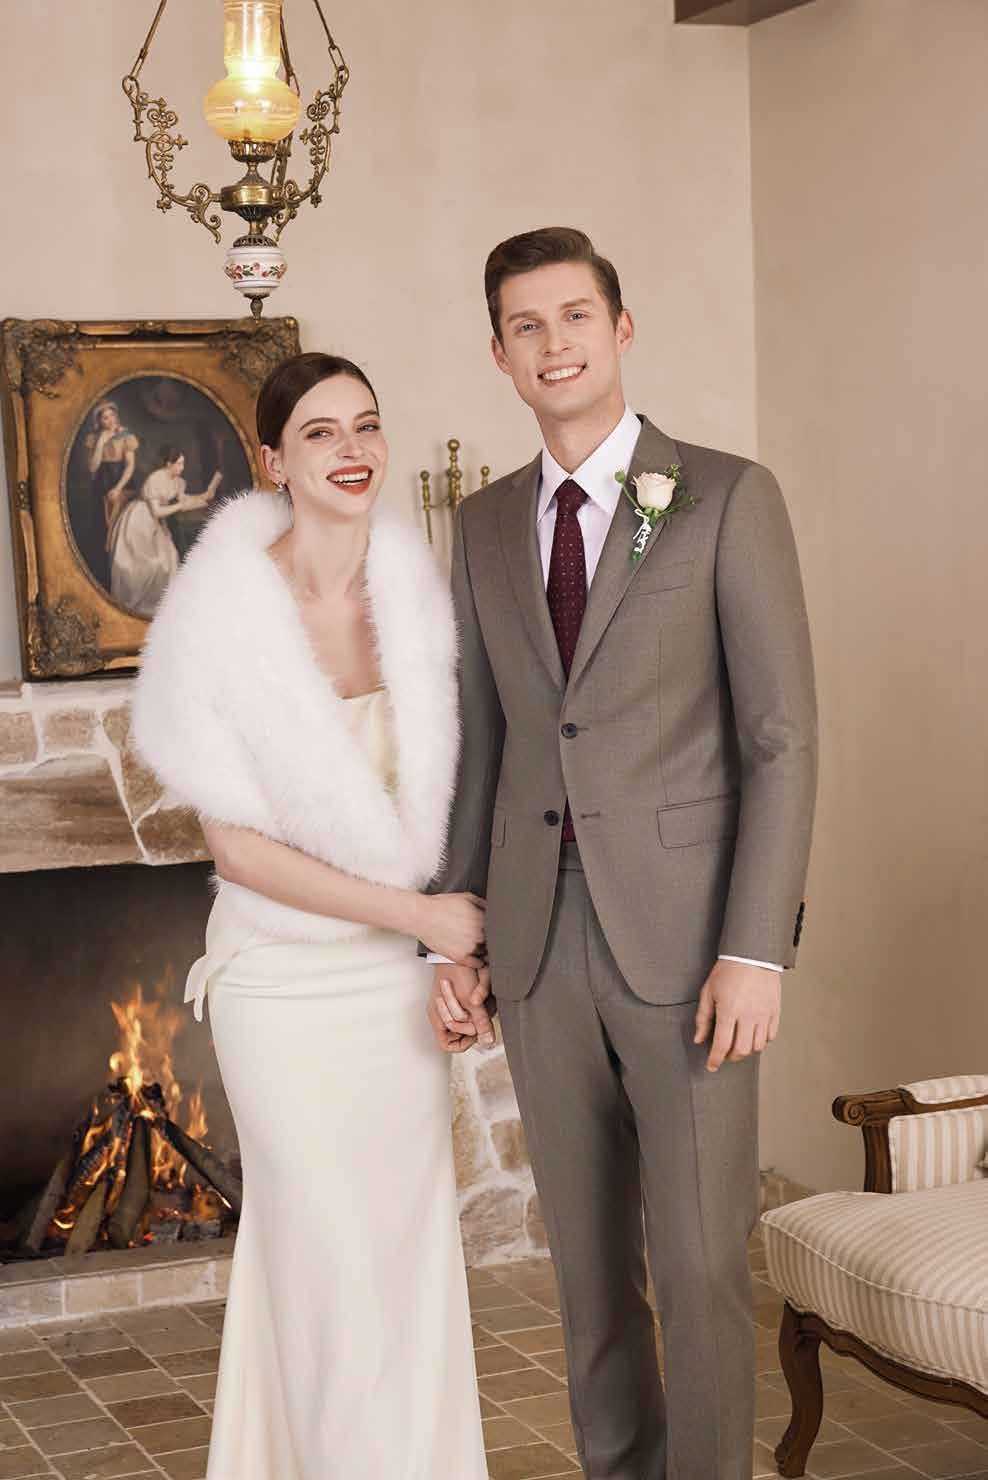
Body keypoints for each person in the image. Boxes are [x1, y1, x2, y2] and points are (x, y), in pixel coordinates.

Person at [427, 228, 818, 1480]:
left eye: (575, 316)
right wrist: (460, 923)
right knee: (588, 1275)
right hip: (540, 947)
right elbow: (481, 743)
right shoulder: (485, 526)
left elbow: (780, 739)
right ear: (498, 353)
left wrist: (755, 947)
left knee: (700, 1266)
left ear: (621, 328)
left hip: (692, 948)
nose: (555, 344)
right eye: (526, 327)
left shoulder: (724, 494)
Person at [132, 353, 487, 1480]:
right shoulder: (221, 618)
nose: (352, 450)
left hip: (394, 988)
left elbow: (449, 800)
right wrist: (421, 915)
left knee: (403, 1257)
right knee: (327, 1255)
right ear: (274, 461)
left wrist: (437, 948)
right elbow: (239, 847)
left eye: (368, 425)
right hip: (283, 988)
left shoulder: (418, 589)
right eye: (322, 432)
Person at [109, 446, 221, 617]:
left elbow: (184, 500)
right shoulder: (155, 479)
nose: (182, 467)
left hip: (155, 525)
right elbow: (157, 511)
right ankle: (141, 607)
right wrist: (180, 506)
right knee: (153, 563)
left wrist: (205, 496)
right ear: (169, 464)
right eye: (179, 464)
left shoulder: (178, 481)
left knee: (169, 557)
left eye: (183, 463)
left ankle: (165, 608)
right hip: (137, 523)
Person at [80, 400, 139, 588]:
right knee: (102, 531)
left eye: (112, 415)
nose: (110, 420)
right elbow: (92, 467)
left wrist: (119, 488)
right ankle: (106, 580)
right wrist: (101, 443)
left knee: (122, 530)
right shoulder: (94, 438)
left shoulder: (125, 434)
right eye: (105, 418)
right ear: (99, 421)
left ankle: (127, 578)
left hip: (122, 483)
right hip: (101, 486)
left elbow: (130, 465)